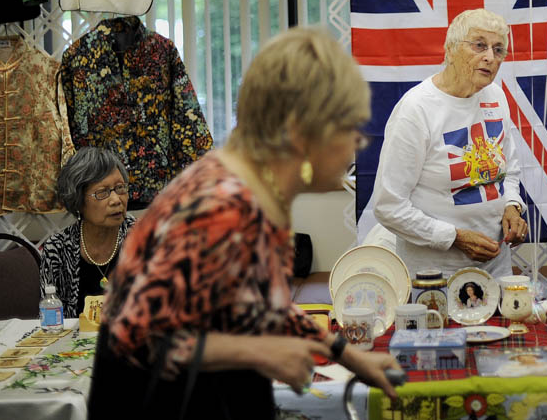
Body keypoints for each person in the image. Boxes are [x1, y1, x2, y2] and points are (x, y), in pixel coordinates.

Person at [88, 28, 400, 419]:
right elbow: (145, 339)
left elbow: (263, 307)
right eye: (348, 127)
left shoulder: (257, 190)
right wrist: (260, 351)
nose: (358, 142)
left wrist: (347, 355)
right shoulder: (223, 204)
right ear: (301, 131)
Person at [373, 9, 528, 278]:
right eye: (479, 45)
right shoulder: (416, 109)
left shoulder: (495, 95)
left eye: (499, 49)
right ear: (451, 49)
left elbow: (509, 169)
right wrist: (454, 237)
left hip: (494, 268)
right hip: (433, 276)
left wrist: (512, 205)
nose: (490, 57)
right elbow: (389, 207)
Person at [40, 147, 137, 318]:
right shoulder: (58, 249)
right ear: (78, 201)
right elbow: (50, 318)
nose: (116, 200)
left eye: (120, 188)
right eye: (102, 193)